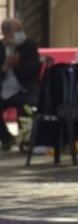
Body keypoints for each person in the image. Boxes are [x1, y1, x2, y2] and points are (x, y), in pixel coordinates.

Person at [0, 18, 40, 151]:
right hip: (5, 88)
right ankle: (7, 139)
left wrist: (18, 64)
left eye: (21, 30)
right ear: (6, 33)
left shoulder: (29, 45)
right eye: (17, 31)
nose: (21, 33)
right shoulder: (1, 47)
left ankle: (26, 140)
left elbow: (34, 71)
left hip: (25, 88)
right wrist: (5, 66)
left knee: (28, 105)